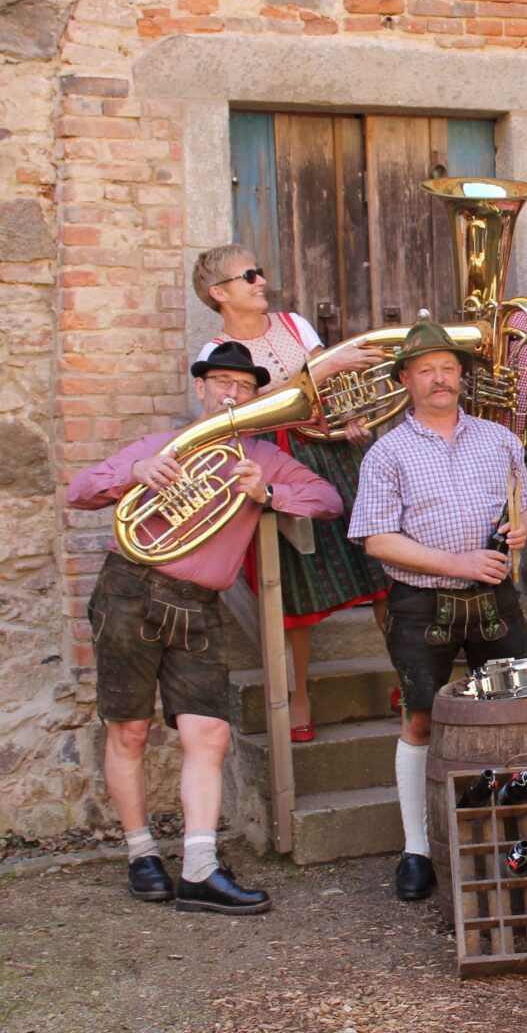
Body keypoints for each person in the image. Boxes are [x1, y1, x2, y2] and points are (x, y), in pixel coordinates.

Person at [67, 342, 344, 913]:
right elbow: (79, 491)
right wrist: (134, 472)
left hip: (198, 605)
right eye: (220, 381)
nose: (230, 393)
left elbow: (328, 499)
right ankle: (142, 854)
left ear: (255, 395)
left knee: (209, 734)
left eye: (243, 386)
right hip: (130, 591)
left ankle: (198, 867)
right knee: (130, 731)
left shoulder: (261, 456)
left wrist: (267, 494)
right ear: (200, 387)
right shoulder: (162, 447)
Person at [348, 321, 527, 902]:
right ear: (406, 380)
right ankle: (417, 849)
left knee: (509, 717)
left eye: (450, 369)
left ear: (462, 378)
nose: (441, 379)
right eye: (427, 370)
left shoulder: (499, 439)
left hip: (496, 599)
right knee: (421, 721)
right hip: (418, 603)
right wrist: (457, 564)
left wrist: (521, 528)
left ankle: (510, 839)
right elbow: (377, 539)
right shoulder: (387, 452)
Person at [193, 246, 389, 742]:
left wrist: (351, 416)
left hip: (334, 450)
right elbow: (230, 419)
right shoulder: (211, 356)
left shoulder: (296, 324)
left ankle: (404, 677)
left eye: (260, 270)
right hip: (275, 461)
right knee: (297, 585)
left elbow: (335, 386)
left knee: (382, 562)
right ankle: (298, 694)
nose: (262, 280)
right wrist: (315, 374)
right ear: (220, 293)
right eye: (249, 275)